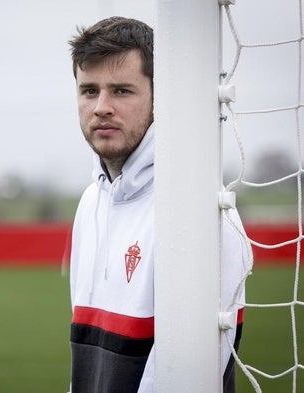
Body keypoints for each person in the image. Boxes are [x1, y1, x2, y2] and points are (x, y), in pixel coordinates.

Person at [67, 16, 249, 393]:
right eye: (89, 91)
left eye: (121, 90)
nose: (101, 106)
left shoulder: (201, 211)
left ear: (160, 96)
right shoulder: (90, 203)